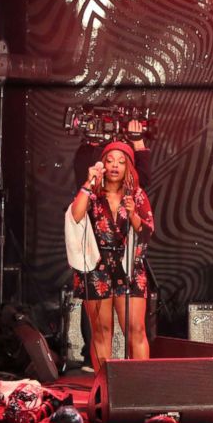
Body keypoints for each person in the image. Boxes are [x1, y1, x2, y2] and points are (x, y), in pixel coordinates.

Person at [67, 140, 154, 369]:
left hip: (130, 268)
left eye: (121, 161)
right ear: (102, 164)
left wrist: (133, 214)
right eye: (110, 160)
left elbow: (147, 232)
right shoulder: (92, 193)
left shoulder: (136, 194)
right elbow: (75, 215)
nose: (115, 165)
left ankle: (140, 389)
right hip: (97, 269)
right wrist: (89, 180)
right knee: (102, 332)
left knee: (135, 330)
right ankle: (105, 389)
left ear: (128, 168)